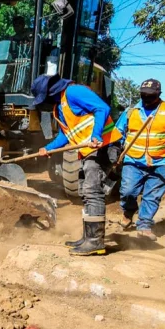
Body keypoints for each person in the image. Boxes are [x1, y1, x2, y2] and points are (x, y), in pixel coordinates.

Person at [35, 74, 122, 256]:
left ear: (50, 92)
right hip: (88, 151)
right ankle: (88, 237)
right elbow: (65, 135)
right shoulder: (59, 107)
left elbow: (102, 108)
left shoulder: (74, 91)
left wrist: (96, 134)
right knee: (84, 191)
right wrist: (48, 148)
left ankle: (95, 241)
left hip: (103, 146)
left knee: (93, 190)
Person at [115, 79, 165, 241]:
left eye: (150, 95)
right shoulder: (131, 112)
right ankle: (128, 211)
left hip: (159, 162)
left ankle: (144, 225)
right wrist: (114, 150)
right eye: (143, 95)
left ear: (158, 94)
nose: (146, 98)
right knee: (127, 191)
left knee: (152, 196)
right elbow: (118, 133)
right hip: (133, 161)